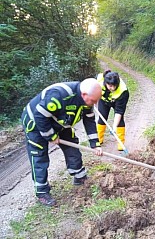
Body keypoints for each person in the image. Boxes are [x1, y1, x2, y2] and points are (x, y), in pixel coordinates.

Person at [21, 78, 103, 207]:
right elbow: (40, 115)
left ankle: (79, 176)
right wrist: (51, 136)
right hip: (36, 123)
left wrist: (95, 144)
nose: (94, 104)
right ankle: (42, 191)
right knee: (39, 155)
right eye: (93, 101)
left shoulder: (87, 102)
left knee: (72, 145)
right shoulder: (59, 95)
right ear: (84, 94)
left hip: (59, 122)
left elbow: (89, 121)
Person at [96, 70, 129, 150]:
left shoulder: (123, 91)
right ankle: (98, 140)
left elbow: (119, 112)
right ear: (105, 83)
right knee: (102, 117)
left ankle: (121, 143)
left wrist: (114, 126)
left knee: (120, 120)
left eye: (114, 85)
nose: (113, 88)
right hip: (104, 100)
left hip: (117, 101)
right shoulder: (99, 81)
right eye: (110, 86)